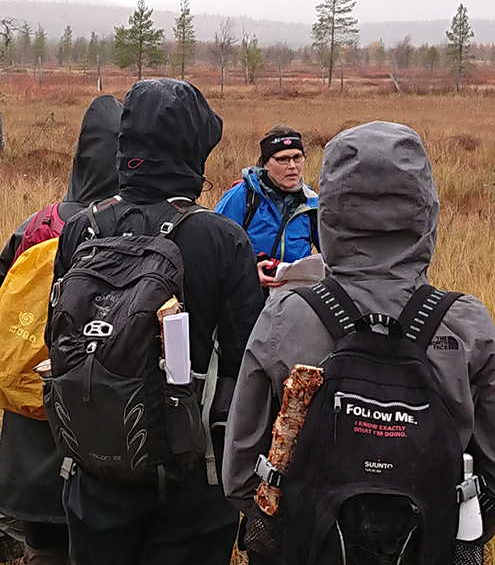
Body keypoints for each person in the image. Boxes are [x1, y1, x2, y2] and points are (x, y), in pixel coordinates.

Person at [223, 121, 495, 556]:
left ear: (327, 210)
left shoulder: (285, 317)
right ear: (427, 209)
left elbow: (239, 475)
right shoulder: (464, 323)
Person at [49, 79, 264, 565]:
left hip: (93, 474)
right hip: (191, 485)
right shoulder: (221, 239)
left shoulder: (82, 229)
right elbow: (246, 365)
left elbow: (55, 338)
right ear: (192, 150)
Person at [0, 94, 123, 565]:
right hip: (100, 417)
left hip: (29, 417)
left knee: (41, 545)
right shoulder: (137, 227)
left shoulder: (36, 224)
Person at [214, 126, 319, 289]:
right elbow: (215, 251)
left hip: (299, 295)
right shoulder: (241, 197)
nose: (292, 166)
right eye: (282, 159)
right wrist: (249, 273)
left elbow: (334, 254)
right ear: (265, 164)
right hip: (250, 296)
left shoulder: (312, 201)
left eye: (297, 157)